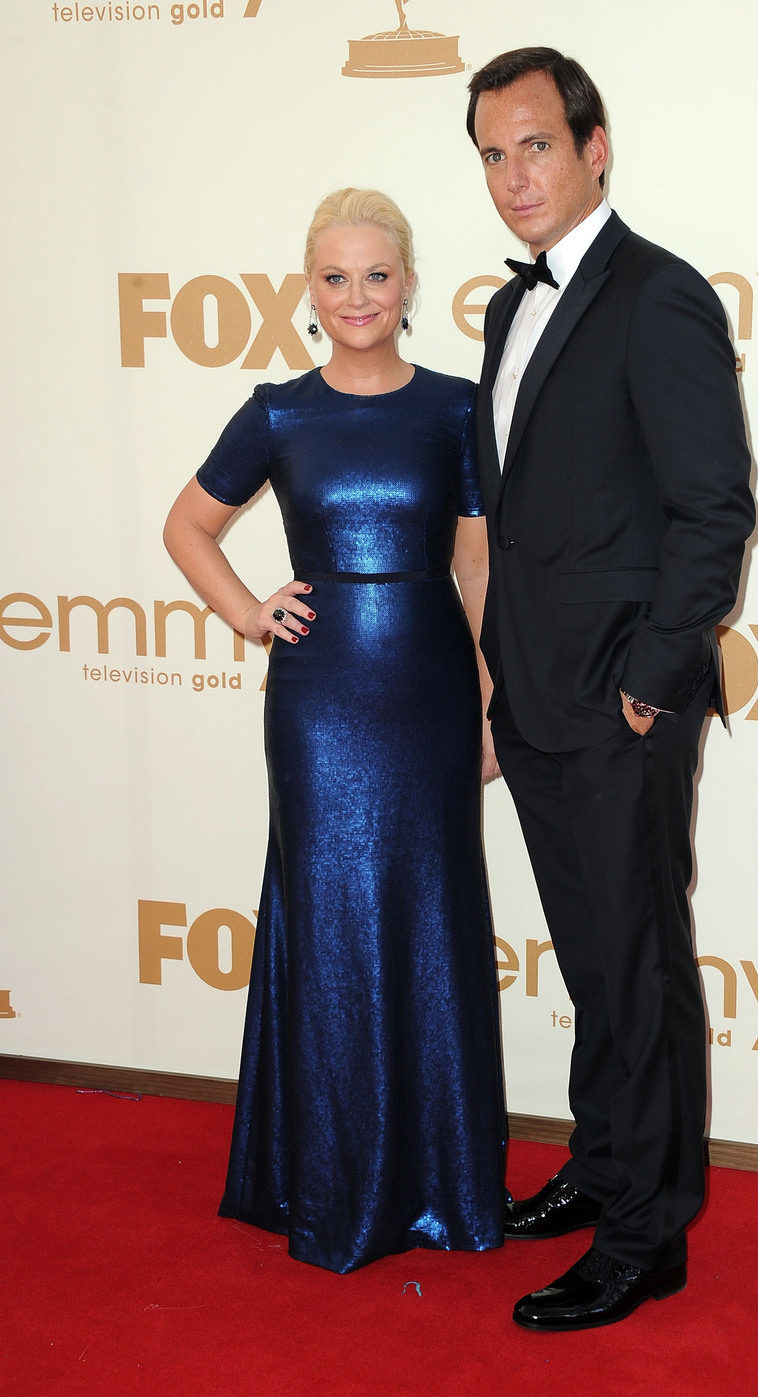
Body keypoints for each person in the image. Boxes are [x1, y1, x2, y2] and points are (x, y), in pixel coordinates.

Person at [163, 188, 505, 1274]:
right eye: (334, 277)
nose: (356, 296)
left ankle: (443, 1181)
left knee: (433, 913)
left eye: (376, 274)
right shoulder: (279, 411)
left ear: (408, 284)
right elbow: (188, 525)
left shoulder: (458, 406)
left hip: (431, 685)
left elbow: (477, 563)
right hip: (319, 702)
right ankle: (329, 1177)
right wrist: (247, 609)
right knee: (328, 919)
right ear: (307, 291)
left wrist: (493, 695)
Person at [466, 49, 756, 1329]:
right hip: (534, 697)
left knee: (635, 966)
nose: (511, 175)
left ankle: (649, 1233)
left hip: (618, 706)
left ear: (595, 146)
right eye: (489, 152)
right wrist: (494, 674)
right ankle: (603, 1161)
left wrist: (649, 687)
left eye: (533, 144)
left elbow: (714, 509)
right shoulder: (502, 308)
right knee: (596, 961)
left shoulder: (660, 295)